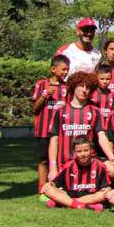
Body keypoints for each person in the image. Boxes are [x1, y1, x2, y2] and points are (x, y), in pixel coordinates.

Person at [48, 72, 106, 183]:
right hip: (63, 163)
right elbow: (54, 140)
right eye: (81, 86)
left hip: (87, 162)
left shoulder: (95, 111)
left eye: (88, 87)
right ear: (73, 87)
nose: (84, 90)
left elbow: (101, 136)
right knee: (55, 194)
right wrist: (52, 167)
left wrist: (111, 157)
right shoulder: (59, 112)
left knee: (111, 171)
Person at [41, 137, 110, 211]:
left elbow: (105, 187)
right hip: (70, 195)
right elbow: (54, 184)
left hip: (90, 196)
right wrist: (48, 185)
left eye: (86, 150)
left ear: (91, 150)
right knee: (48, 190)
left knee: (105, 194)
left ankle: (64, 203)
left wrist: (107, 189)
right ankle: (85, 206)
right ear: (74, 152)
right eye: (79, 151)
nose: (82, 154)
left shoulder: (100, 166)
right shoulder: (68, 166)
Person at [32, 54, 70, 190]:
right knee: (43, 160)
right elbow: (35, 108)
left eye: (67, 70)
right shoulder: (41, 84)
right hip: (43, 131)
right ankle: (42, 188)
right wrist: (44, 95)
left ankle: (58, 187)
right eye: (63, 69)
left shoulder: (68, 87)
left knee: (60, 160)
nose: (65, 72)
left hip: (61, 131)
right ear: (53, 69)